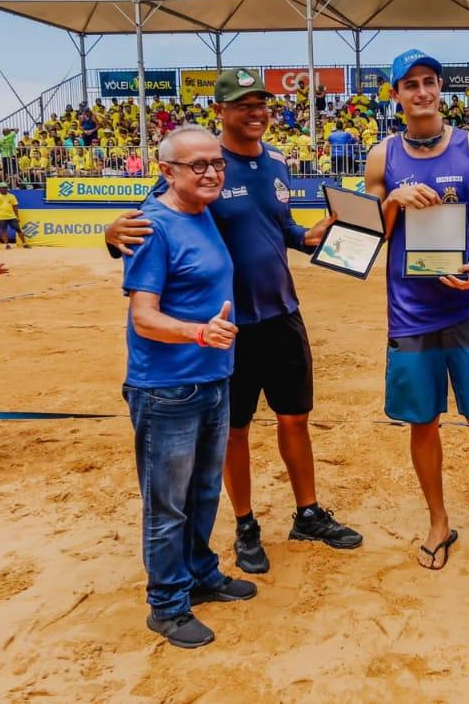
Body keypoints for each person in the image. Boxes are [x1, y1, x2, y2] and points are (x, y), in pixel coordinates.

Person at [105, 69, 360, 576]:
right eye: (243, 105)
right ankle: (245, 523)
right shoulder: (201, 166)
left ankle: (308, 512)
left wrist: (313, 235)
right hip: (226, 326)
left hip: (281, 314)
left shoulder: (277, 162)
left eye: (261, 104)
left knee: (295, 417)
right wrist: (111, 236)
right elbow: (150, 221)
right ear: (220, 111)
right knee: (234, 430)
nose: (256, 113)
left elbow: (283, 229)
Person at [363, 49, 469, 570]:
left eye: (429, 81)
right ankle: (438, 520)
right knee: (422, 422)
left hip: (466, 306)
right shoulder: (382, 156)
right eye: (410, 84)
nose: (422, 92)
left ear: (440, 88)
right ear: (396, 95)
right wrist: (394, 200)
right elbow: (373, 233)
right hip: (410, 313)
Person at [122, 125, 256, 649]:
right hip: (166, 388)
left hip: (212, 378)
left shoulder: (203, 213)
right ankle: (167, 605)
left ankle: (201, 574)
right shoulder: (152, 226)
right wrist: (198, 333)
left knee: (202, 492)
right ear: (166, 172)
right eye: (197, 165)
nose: (211, 173)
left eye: (216, 163)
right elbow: (144, 317)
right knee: (167, 505)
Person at [0, 182, 28, 249]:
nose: (5, 189)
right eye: (3, 188)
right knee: (3, 231)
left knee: (18, 229)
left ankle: (24, 243)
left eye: (6, 188)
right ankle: (7, 245)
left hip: (12, 216)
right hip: (1, 217)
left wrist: (17, 217)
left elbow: (15, 207)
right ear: (0, 188)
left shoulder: (12, 196)